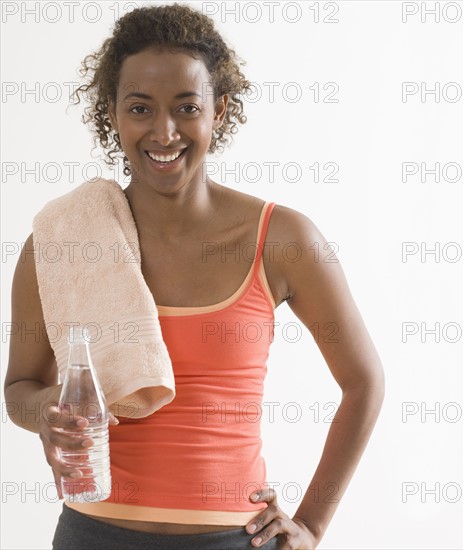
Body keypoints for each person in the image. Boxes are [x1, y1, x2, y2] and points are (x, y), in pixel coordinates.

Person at [4, 3, 385, 549]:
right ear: (113, 114)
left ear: (220, 111)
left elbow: (364, 383)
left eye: (187, 107)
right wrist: (46, 410)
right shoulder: (62, 242)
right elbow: (18, 389)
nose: (164, 132)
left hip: (235, 538)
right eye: (140, 108)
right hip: (91, 535)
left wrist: (312, 525)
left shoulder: (282, 240)